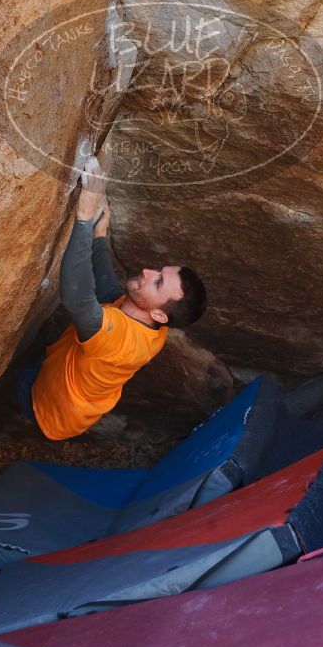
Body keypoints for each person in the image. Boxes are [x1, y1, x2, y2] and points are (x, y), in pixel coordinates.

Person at [16, 160, 207, 440]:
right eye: (159, 270)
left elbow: (77, 297)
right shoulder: (153, 322)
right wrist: (99, 237)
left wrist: (84, 215)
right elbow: (108, 290)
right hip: (60, 375)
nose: (147, 271)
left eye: (158, 281)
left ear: (159, 315)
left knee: (15, 377)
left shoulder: (121, 341)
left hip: (47, 408)